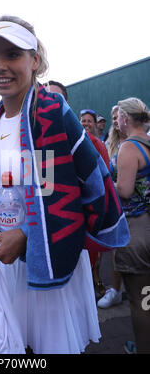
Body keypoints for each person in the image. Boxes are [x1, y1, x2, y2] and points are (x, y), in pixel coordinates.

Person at [0, 15, 129, 354]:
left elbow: (66, 191)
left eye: (12, 54)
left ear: (34, 60)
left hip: (46, 255)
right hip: (2, 261)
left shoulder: (50, 113)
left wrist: (25, 236)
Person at [114, 97, 150, 354]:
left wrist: (104, 182)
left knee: (140, 301)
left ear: (125, 119)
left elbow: (124, 190)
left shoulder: (128, 147)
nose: (115, 121)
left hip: (135, 231)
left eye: (117, 117)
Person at [97, 105, 128, 309]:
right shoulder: (111, 143)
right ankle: (116, 290)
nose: (115, 121)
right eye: (113, 117)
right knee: (119, 248)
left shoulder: (144, 140)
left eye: (118, 117)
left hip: (138, 205)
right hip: (120, 205)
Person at [79, 108, 110, 297]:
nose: (86, 124)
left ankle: (95, 283)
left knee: (94, 251)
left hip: (93, 204)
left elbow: (104, 175)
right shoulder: (74, 140)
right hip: (78, 207)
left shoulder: (98, 143)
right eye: (83, 120)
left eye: (89, 121)